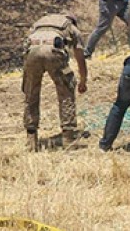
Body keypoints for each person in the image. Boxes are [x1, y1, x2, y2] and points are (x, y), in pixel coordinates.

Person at [22, 13, 88, 151]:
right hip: (53, 51)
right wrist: (83, 81)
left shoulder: (39, 23)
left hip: (31, 52)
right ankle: (68, 138)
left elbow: (26, 46)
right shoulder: (70, 27)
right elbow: (80, 58)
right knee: (66, 92)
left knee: (31, 94)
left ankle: (31, 140)